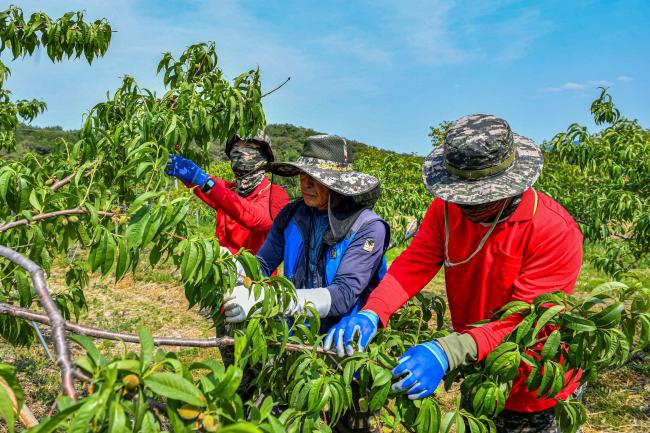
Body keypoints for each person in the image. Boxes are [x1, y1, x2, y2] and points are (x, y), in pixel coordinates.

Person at [325, 115, 584, 433]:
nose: (465, 204)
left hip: (531, 381)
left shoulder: (554, 230)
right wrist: (372, 313)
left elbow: (527, 324)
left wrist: (446, 350)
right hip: (477, 368)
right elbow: (412, 265)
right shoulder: (445, 210)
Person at [223, 134, 390, 432]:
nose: (306, 183)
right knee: (288, 414)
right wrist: (230, 265)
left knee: (352, 421)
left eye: (317, 178)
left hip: (347, 342)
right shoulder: (291, 215)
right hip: (295, 338)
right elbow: (261, 265)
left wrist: (269, 302)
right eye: (303, 175)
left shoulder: (368, 227)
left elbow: (343, 295)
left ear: (338, 183)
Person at [165, 131, 289, 254]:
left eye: (249, 147)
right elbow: (199, 183)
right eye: (235, 147)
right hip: (222, 268)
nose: (240, 152)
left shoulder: (276, 194)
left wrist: (203, 180)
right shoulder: (230, 190)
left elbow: (256, 219)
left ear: (265, 156)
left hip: (254, 273)